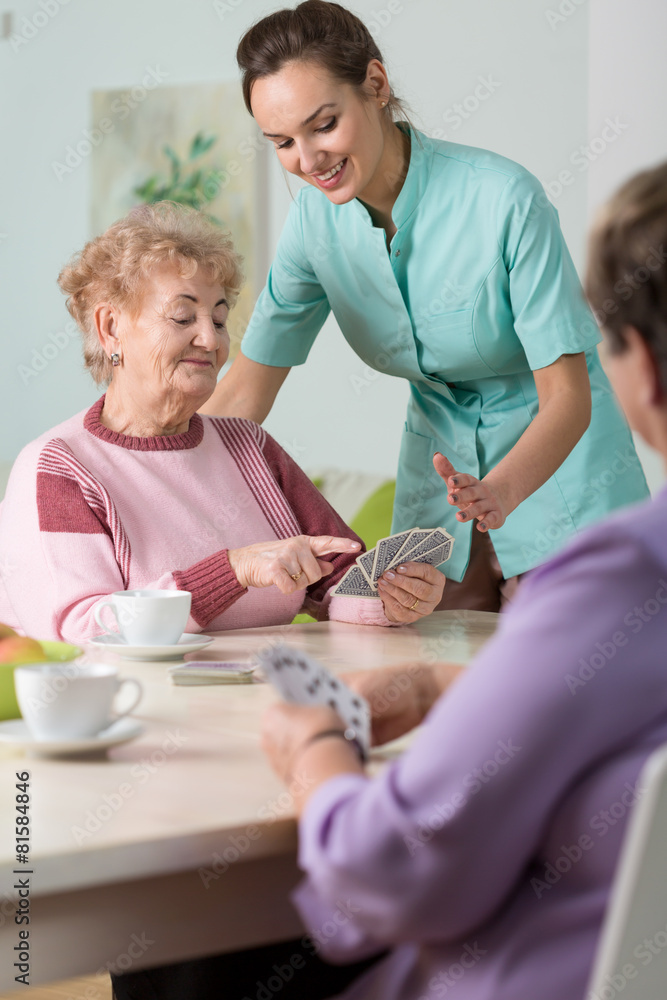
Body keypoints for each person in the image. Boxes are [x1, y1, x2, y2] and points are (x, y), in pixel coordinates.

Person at [257, 160, 667, 999]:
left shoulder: (624, 575)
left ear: (644, 375)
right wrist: (449, 684)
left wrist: (312, 749)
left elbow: (393, 870)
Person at [201, 0, 649, 612]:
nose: (307, 162)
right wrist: (138, 465)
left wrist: (500, 492)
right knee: (423, 679)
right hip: (441, 483)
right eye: (282, 141)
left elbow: (569, 397)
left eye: (324, 125)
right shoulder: (313, 225)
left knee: (579, 687)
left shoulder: (503, 201)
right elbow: (245, 392)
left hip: (564, 473)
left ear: (376, 86)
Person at [0, 202, 445, 643]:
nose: (211, 338)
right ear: (111, 327)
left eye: (218, 318)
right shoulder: (60, 466)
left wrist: (390, 598)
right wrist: (232, 570)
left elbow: (336, 577)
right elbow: (82, 630)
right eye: (182, 316)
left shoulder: (248, 444)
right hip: (140, 707)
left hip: (264, 696)